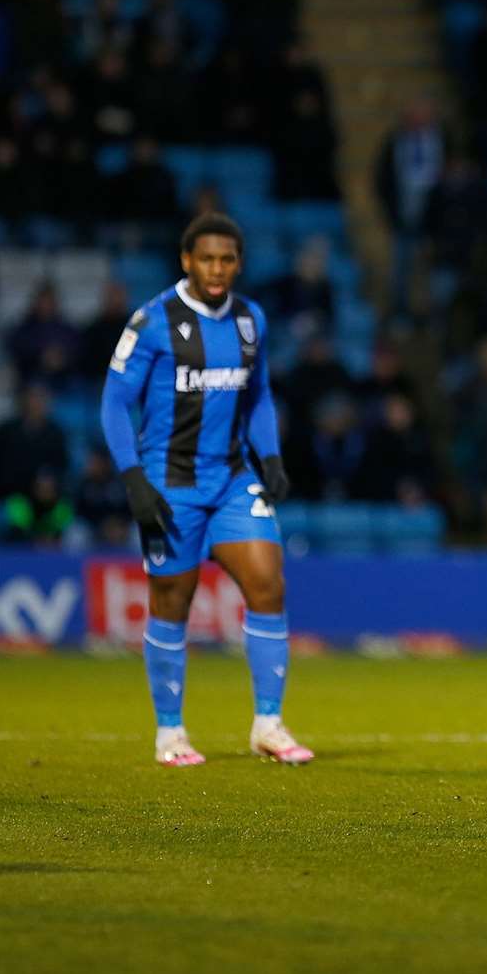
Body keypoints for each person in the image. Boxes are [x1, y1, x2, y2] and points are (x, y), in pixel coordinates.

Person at [99, 213, 312, 767]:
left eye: (228, 260)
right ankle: (170, 733)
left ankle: (268, 724)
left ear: (238, 263)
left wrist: (269, 456)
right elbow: (115, 403)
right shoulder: (152, 321)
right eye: (207, 259)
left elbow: (259, 393)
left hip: (233, 478)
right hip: (170, 483)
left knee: (268, 582)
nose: (218, 270)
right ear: (186, 261)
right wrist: (132, 479)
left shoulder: (250, 319)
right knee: (172, 601)